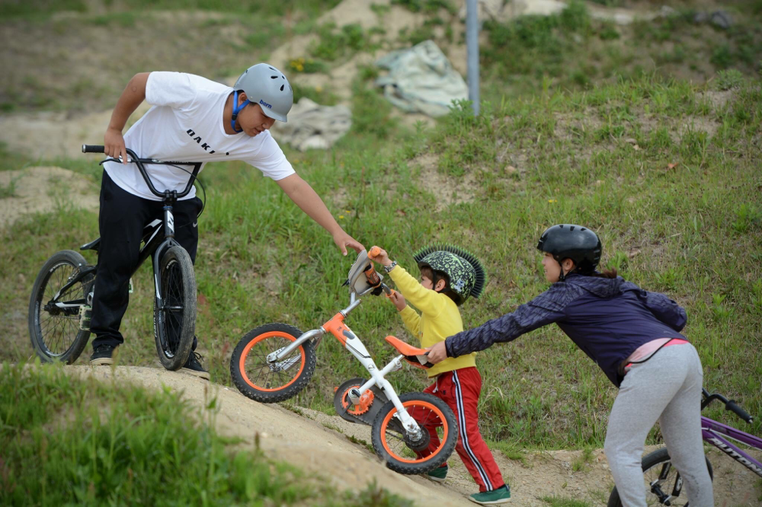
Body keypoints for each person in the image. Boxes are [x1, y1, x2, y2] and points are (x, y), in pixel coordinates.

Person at [90, 64, 363, 378]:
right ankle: (105, 340)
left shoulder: (256, 140)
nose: (268, 125)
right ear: (243, 98)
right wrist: (114, 130)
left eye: (274, 120)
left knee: (180, 271)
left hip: (177, 191)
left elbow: (295, 185)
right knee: (119, 259)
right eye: (265, 115)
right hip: (128, 176)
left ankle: (181, 349)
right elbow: (138, 83)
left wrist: (336, 230)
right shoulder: (197, 94)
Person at [427, 224, 713, 507]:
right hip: (685, 355)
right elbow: (677, 315)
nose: (542, 262)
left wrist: (451, 345)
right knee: (688, 457)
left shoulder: (566, 293)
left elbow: (509, 325)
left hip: (653, 363)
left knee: (621, 450)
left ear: (567, 263)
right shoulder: (619, 286)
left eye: (547, 256)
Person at [370, 245, 511, 506]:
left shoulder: (441, 303)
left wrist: (389, 264)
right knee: (413, 417)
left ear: (439, 284)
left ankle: (495, 486)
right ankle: (434, 462)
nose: (420, 283)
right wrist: (403, 308)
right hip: (446, 380)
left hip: (459, 378)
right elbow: (420, 329)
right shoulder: (436, 311)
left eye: (424, 279)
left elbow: (413, 291)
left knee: (464, 434)